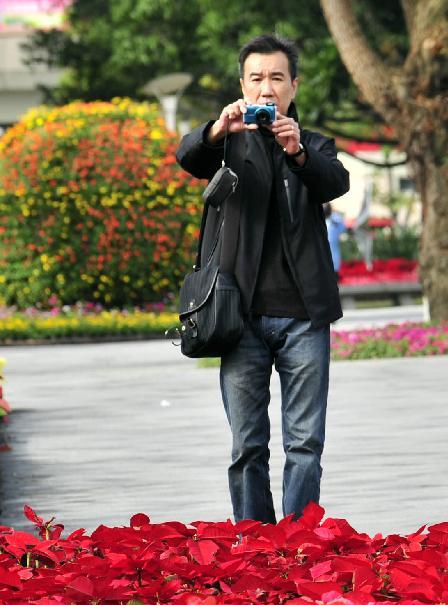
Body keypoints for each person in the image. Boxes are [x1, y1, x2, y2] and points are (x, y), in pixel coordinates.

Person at [176, 34, 349, 525]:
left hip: (304, 316)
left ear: (293, 85)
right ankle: (254, 546)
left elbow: (335, 181)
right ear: (243, 87)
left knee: (305, 444)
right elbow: (186, 156)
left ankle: (299, 544)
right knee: (246, 445)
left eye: (277, 78)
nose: (267, 89)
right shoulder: (226, 143)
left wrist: (298, 152)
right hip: (239, 317)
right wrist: (217, 129)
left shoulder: (313, 144)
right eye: (257, 79)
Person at [323, 203, 347, 277]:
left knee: (334, 254)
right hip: (327, 240)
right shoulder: (333, 217)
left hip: (332, 240)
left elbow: (342, 228)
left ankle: (335, 273)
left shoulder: (335, 217)